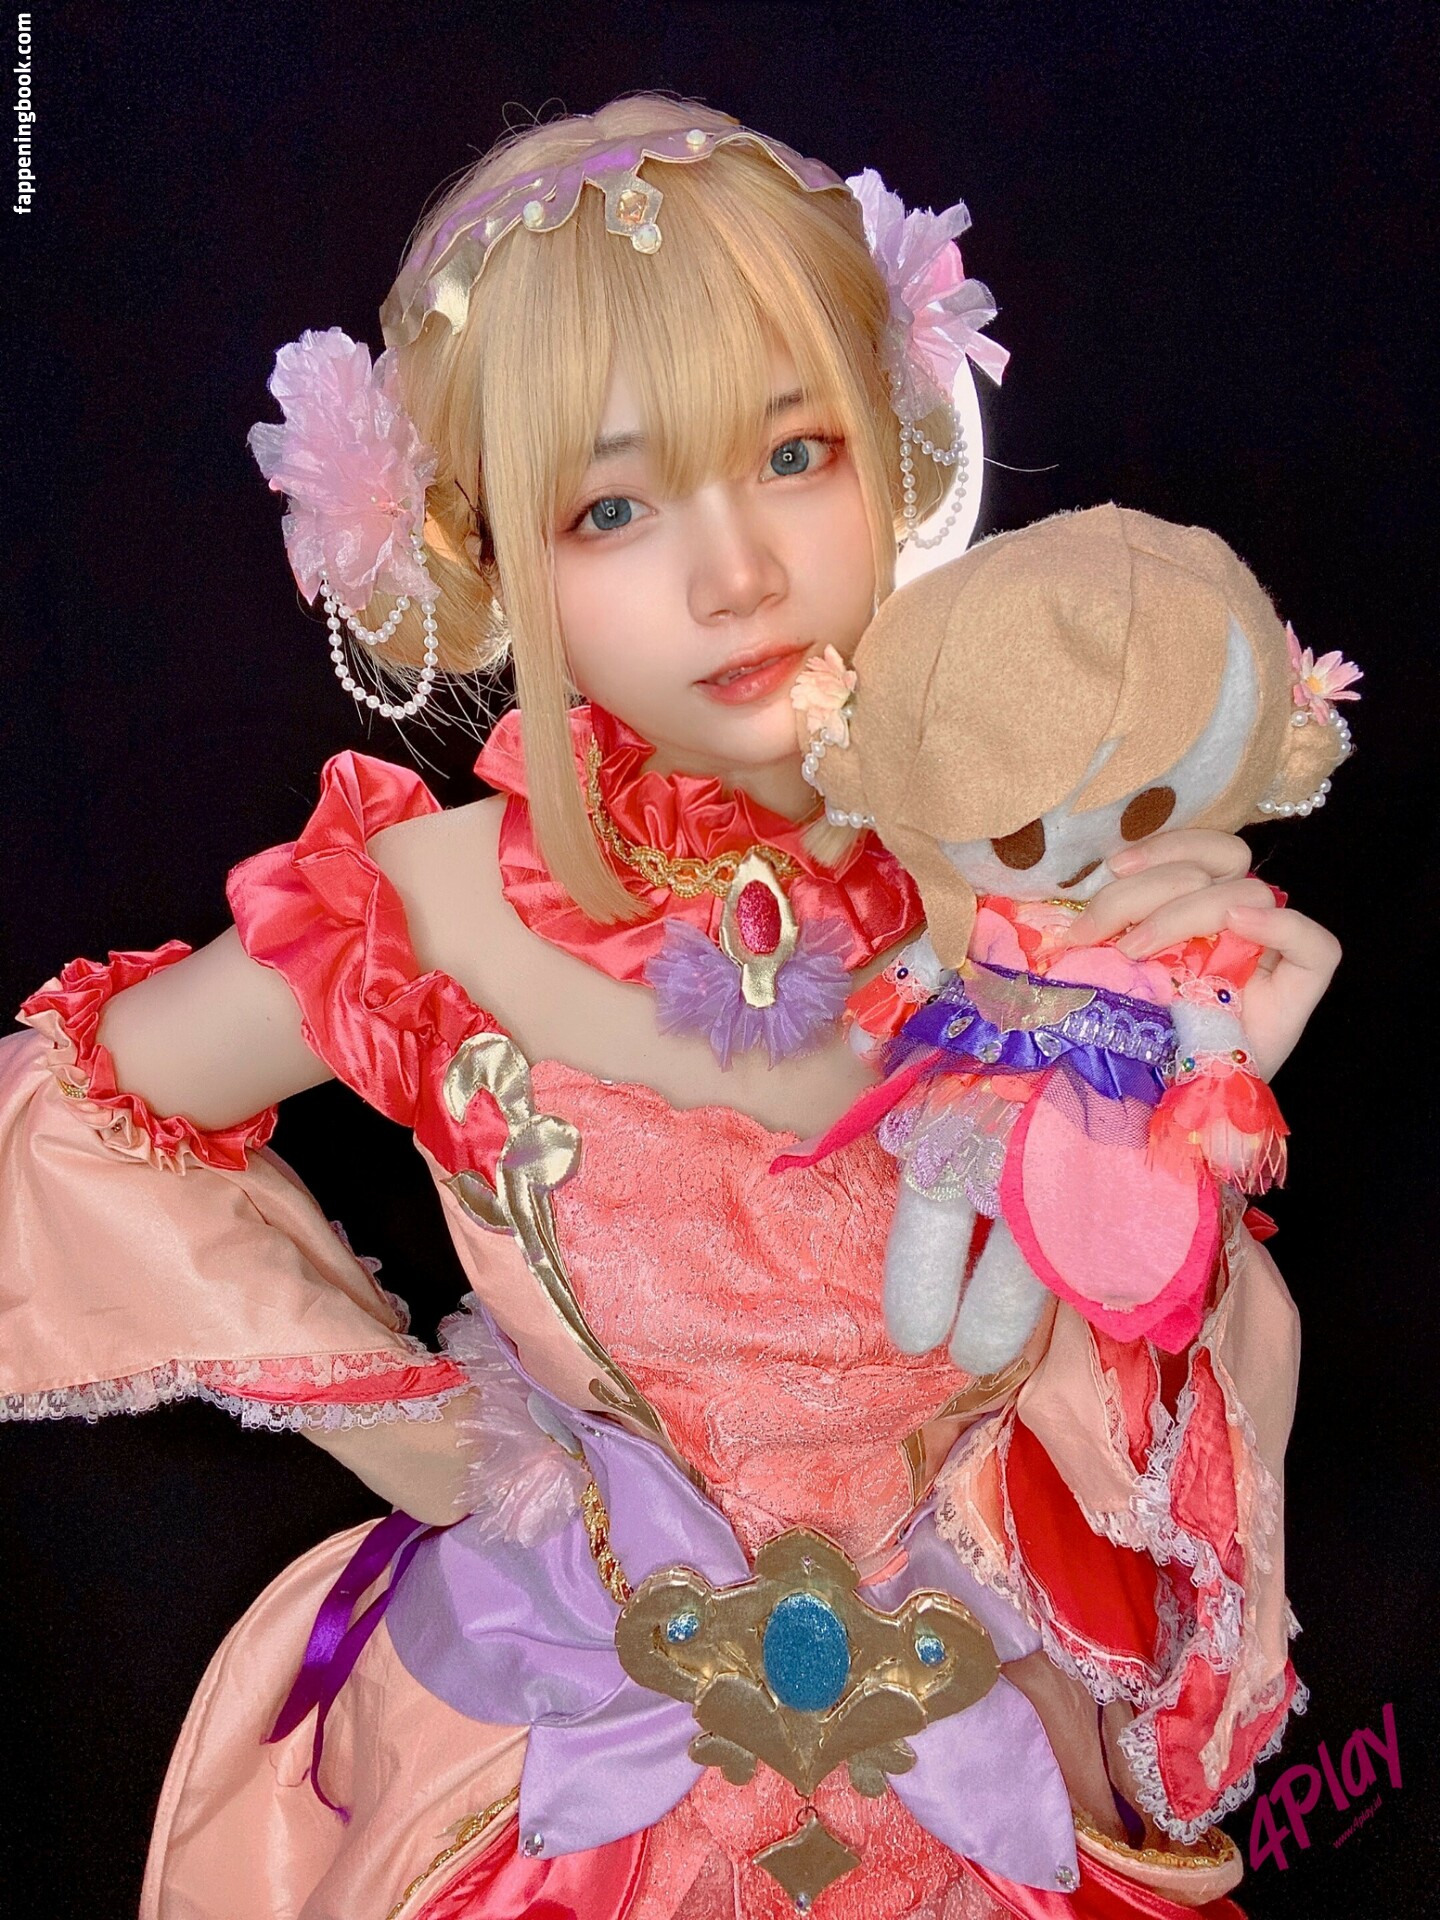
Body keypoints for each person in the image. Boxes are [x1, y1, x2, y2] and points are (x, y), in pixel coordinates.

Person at [1, 95, 1342, 1920]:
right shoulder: (426, 910)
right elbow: (76, 1119)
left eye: (794, 452)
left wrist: (1175, 1126)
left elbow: (1127, 1440)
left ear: (894, 448)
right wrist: (415, 1431)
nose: (737, 573)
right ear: (483, 556)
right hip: (564, 1771)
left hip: (979, 1774)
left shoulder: (1038, 875)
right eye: (614, 506)